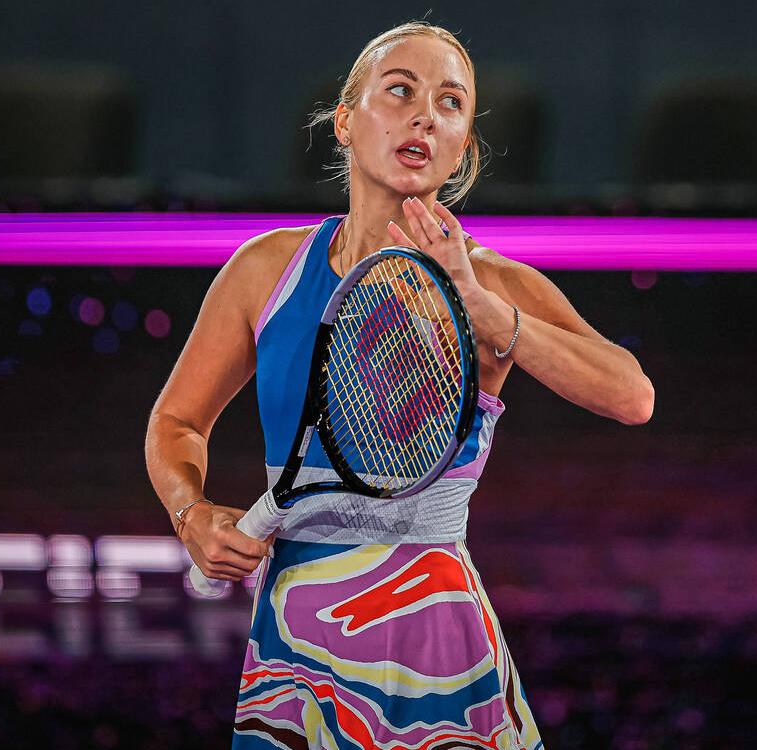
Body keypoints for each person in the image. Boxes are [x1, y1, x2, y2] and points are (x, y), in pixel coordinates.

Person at [145, 20, 654, 750]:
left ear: (463, 147)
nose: (425, 116)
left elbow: (632, 395)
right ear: (345, 122)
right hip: (294, 648)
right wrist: (190, 513)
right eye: (400, 91)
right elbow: (177, 423)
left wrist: (483, 309)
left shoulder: (498, 283)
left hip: (438, 648)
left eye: (450, 103)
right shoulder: (264, 271)